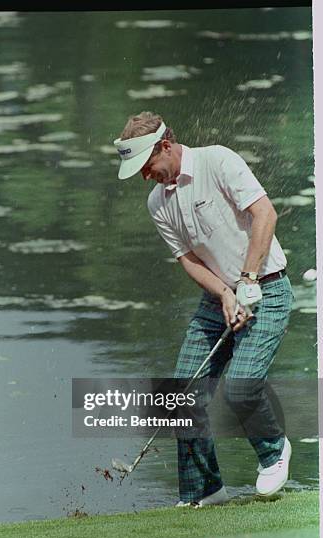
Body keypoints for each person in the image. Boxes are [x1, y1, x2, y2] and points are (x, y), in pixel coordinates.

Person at [113, 111, 293, 508]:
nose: (146, 176)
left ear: (164, 146)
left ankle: (274, 451)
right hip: (219, 298)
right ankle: (204, 491)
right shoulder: (157, 201)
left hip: (268, 287)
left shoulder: (218, 160)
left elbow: (266, 214)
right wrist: (226, 294)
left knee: (242, 387)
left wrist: (246, 281)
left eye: (147, 166)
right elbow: (189, 258)